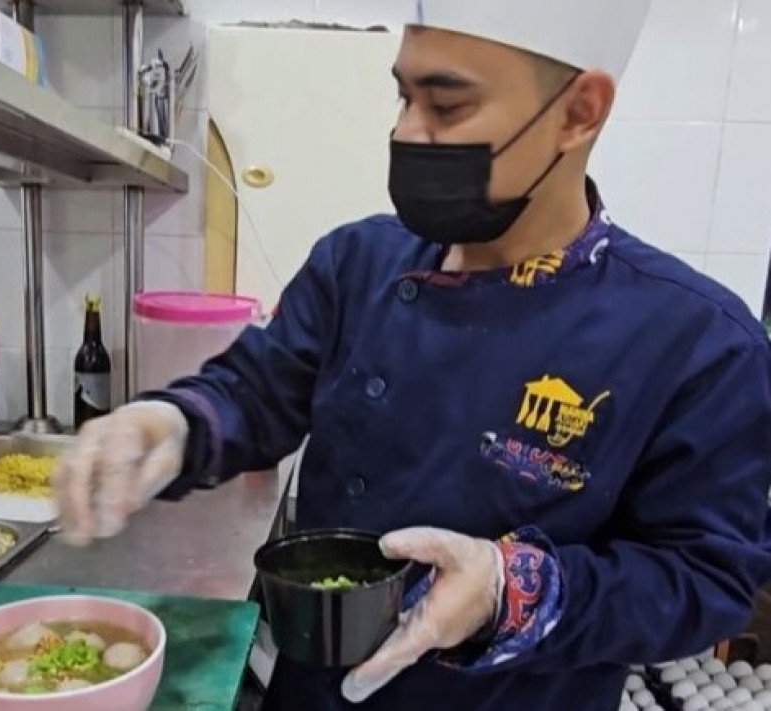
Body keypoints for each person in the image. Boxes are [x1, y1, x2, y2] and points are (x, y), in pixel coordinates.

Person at [52, 0, 771, 709]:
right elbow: (256, 393)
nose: (405, 132)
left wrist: (506, 586)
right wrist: (170, 423)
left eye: (446, 106)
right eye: (403, 96)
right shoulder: (357, 263)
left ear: (578, 111)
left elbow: (702, 580)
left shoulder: (697, 341)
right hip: (315, 693)